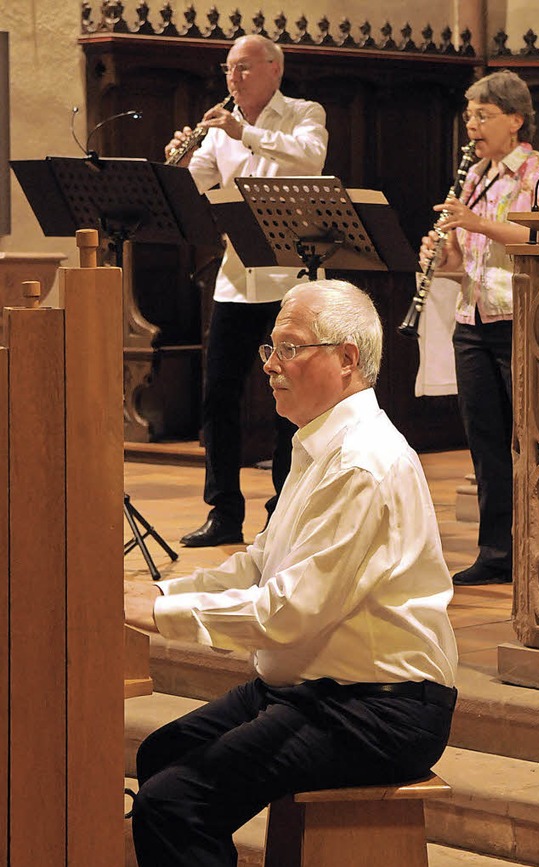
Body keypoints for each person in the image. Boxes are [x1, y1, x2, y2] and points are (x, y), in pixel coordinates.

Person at [125, 278, 458, 867]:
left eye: (290, 349)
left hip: (379, 708)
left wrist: (155, 614)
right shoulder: (317, 444)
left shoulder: (362, 462)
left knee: (175, 803)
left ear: (347, 359)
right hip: (314, 688)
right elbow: (259, 565)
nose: (272, 366)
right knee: (164, 753)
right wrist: (157, 591)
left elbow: (288, 613)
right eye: (270, 351)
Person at [167, 34, 329, 548]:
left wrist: (248, 133)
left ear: (274, 70)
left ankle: (283, 512)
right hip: (237, 278)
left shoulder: (306, 113)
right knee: (218, 394)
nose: (232, 78)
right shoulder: (218, 127)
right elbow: (195, 188)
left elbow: (309, 159)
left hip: (291, 278)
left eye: (243, 68)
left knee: (291, 395)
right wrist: (175, 164)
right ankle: (223, 512)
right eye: (228, 69)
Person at [420, 69, 539, 586]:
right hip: (474, 317)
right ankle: (496, 552)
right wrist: (444, 256)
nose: (472, 126)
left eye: (482, 115)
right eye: (468, 116)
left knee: (531, 438)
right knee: (484, 440)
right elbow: (466, 264)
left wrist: (478, 222)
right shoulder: (476, 174)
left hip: (522, 319)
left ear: (516, 118)